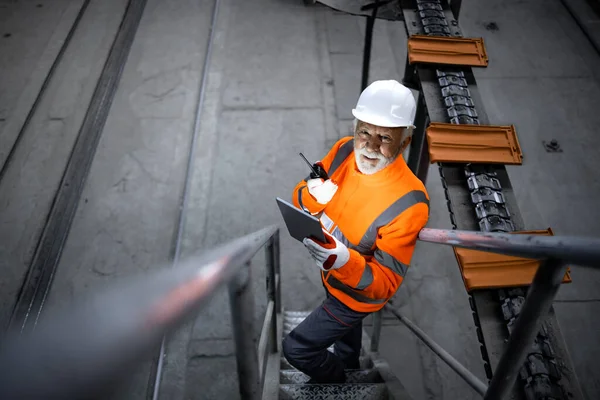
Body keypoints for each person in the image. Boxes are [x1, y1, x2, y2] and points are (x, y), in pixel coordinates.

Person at [281, 80, 430, 383]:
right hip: (329, 274)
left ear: (406, 140)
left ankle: (338, 381)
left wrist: (342, 260)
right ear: (355, 128)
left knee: (297, 349)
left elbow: (387, 283)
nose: (370, 146)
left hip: (354, 298)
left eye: (385, 137)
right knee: (346, 343)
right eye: (364, 132)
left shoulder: (410, 202)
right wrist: (312, 194)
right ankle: (348, 362)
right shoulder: (344, 150)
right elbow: (300, 195)